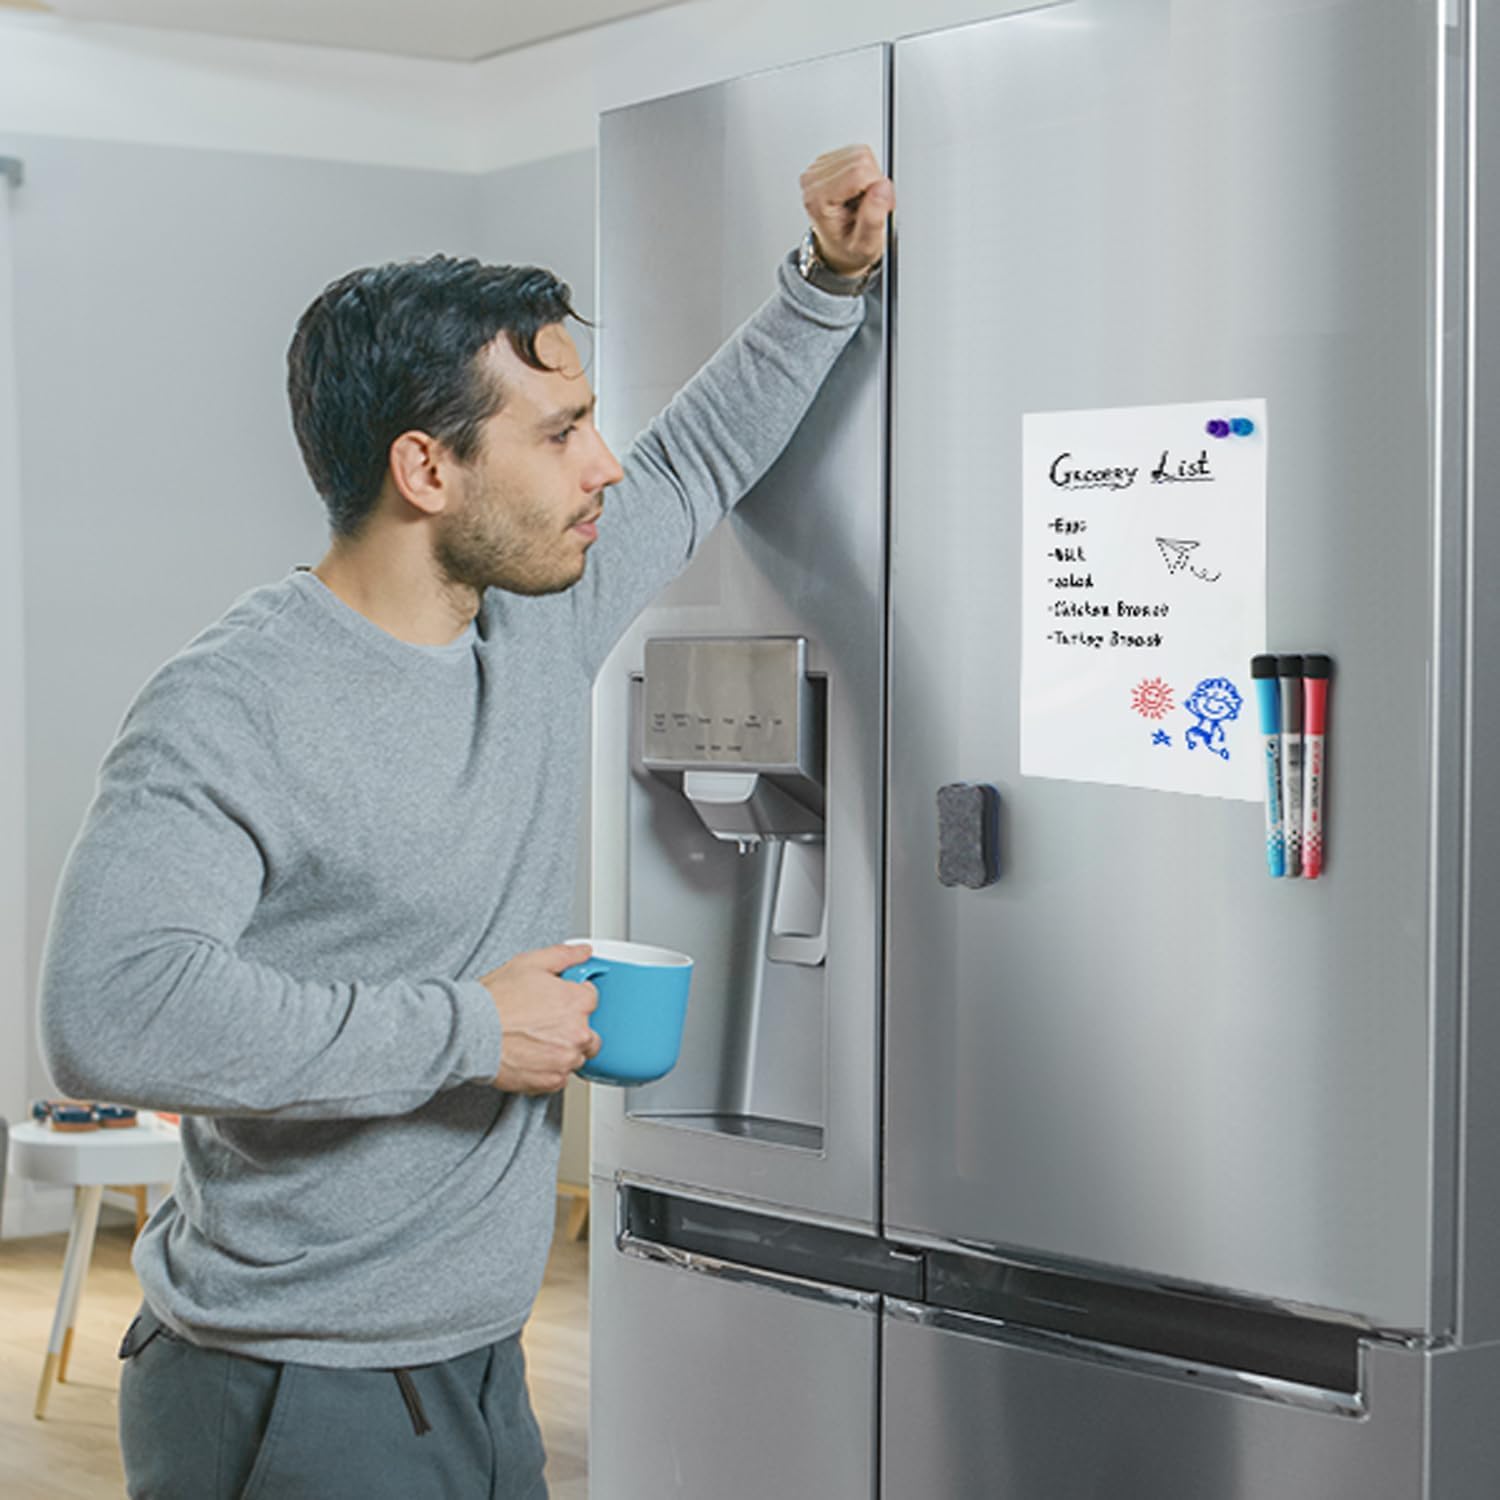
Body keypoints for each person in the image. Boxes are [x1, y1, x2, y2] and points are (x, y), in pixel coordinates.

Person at [36, 145, 893, 1498]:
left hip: (477, 1373)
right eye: (558, 436)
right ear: (426, 469)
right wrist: (476, 1030)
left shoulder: (532, 628)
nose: (603, 464)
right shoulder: (233, 703)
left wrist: (830, 276)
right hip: (287, 1391)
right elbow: (110, 1012)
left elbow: (701, 456)